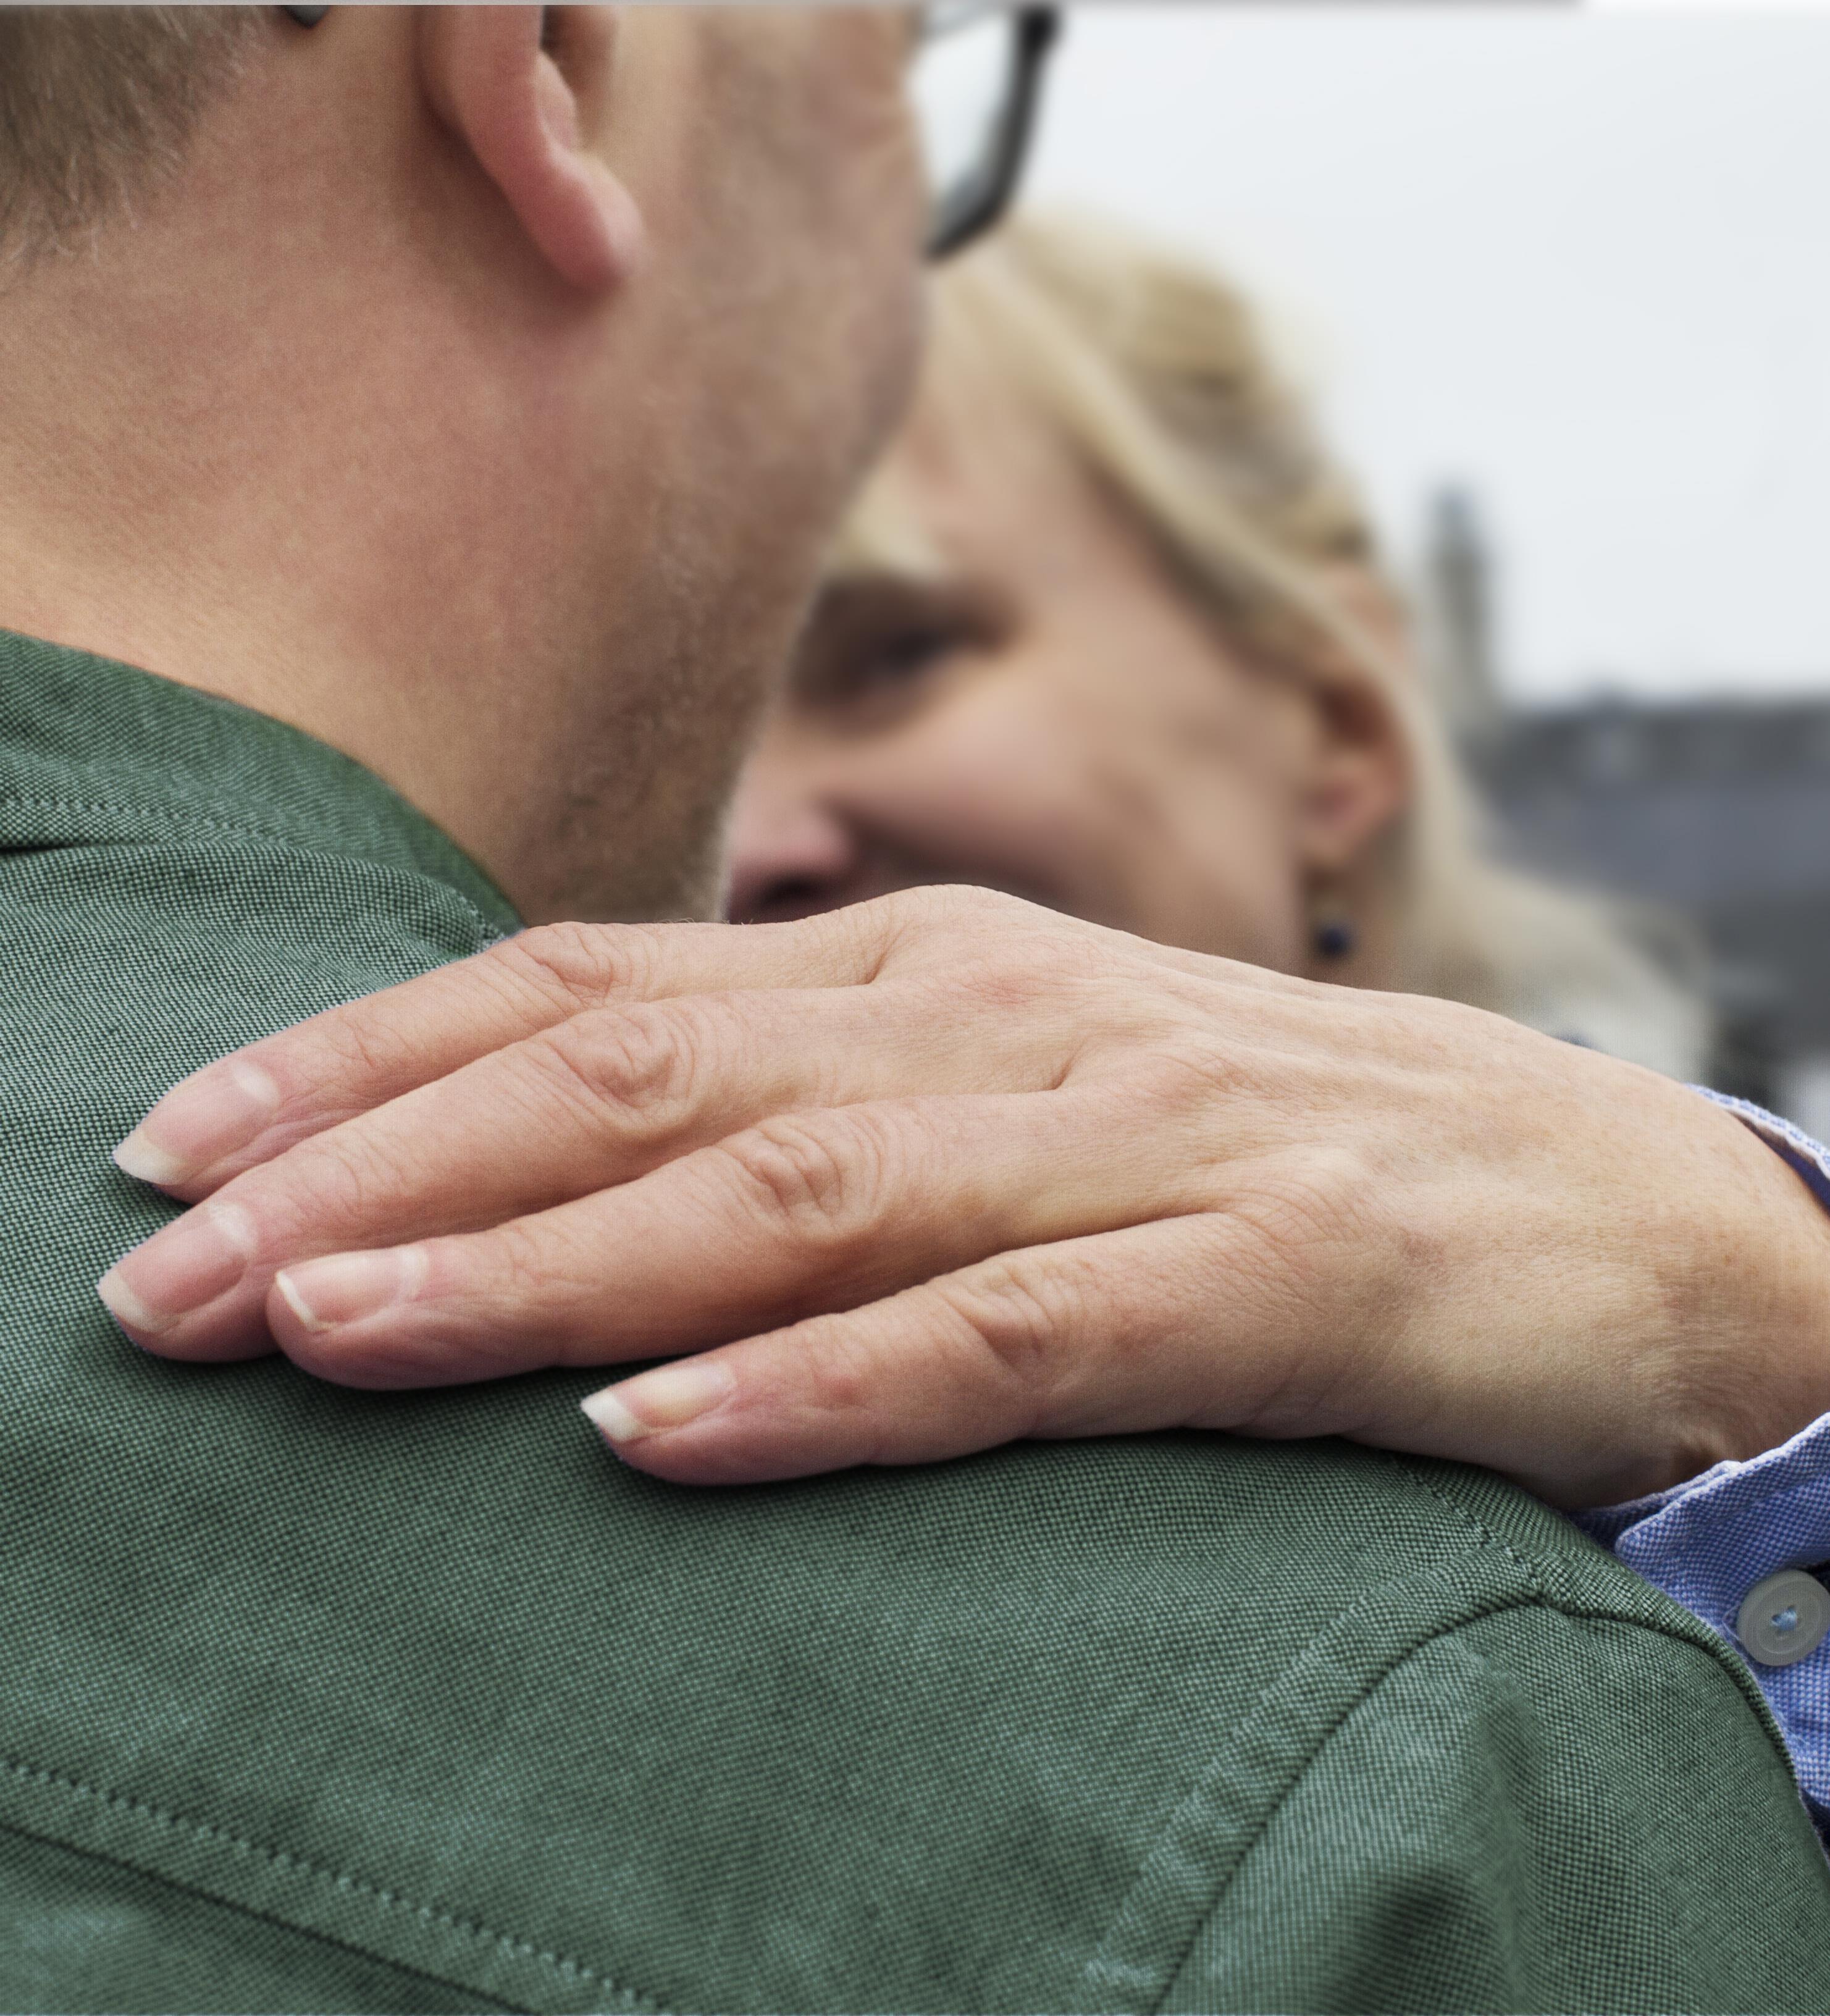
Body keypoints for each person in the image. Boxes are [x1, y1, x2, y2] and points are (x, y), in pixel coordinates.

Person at [7, 9, 1830, 2014]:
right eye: (736, 655)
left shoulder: (1415, 1696)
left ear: (1327, 713)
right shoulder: (1374, 1746)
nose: (763, 846)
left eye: (888, 652)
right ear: (540, 52)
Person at [729, 214, 1710, 1085]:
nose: (745, 848)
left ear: (1335, 731)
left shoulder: (1737, 1264)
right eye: (633, 742)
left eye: (898, 658)